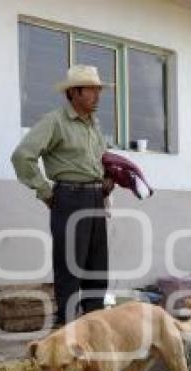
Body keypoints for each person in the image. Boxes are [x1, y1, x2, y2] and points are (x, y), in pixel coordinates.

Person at [11, 65, 115, 327]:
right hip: (69, 198)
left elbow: (100, 160)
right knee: (70, 267)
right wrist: (45, 191)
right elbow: (22, 156)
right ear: (74, 93)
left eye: (98, 90)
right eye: (91, 90)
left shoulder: (94, 126)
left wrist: (108, 178)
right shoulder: (55, 121)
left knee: (97, 267)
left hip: (95, 199)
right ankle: (68, 329)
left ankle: (93, 327)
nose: (97, 96)